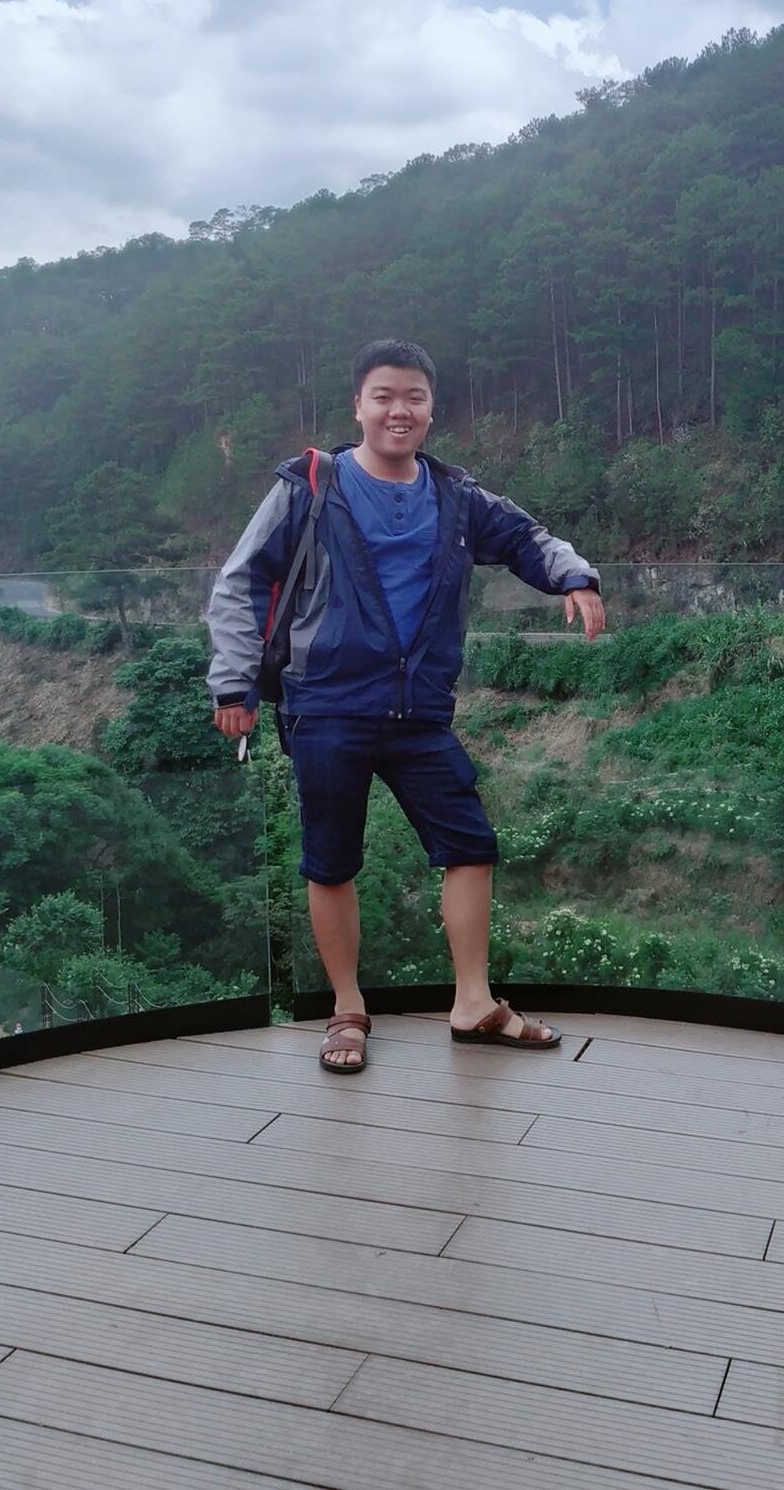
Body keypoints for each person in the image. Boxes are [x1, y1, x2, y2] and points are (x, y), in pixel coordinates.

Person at [207, 338, 606, 1072]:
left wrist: (574, 576)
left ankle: (474, 1003)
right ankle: (347, 1010)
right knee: (331, 863)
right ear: (358, 405)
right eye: (384, 396)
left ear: (430, 408)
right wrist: (233, 683)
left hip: (419, 710)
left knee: (470, 845)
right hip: (326, 707)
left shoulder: (456, 495)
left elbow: (526, 538)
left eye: (413, 397)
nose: (400, 410)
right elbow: (241, 581)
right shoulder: (310, 486)